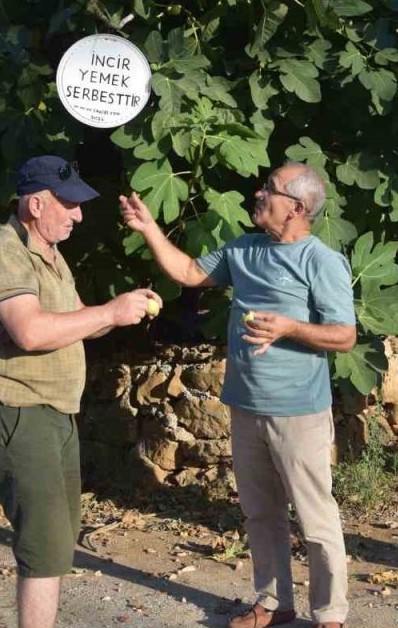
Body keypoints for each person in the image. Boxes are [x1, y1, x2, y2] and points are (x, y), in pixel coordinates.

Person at [119, 161, 356, 628]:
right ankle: (274, 604)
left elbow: (344, 336)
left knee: (315, 519)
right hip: (245, 405)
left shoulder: (320, 261)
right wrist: (149, 228)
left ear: (297, 208)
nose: (259, 193)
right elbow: (188, 272)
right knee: (260, 513)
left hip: (298, 412)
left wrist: (289, 327)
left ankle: (331, 615)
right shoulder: (243, 249)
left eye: (270, 189)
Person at [0, 156, 161, 628]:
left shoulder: (50, 255)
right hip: (19, 414)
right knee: (44, 546)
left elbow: (75, 320)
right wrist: (110, 314)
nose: (78, 215)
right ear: (36, 204)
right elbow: (31, 332)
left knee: (55, 543)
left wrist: (125, 307)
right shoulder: (4, 253)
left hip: (53, 414)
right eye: (69, 204)